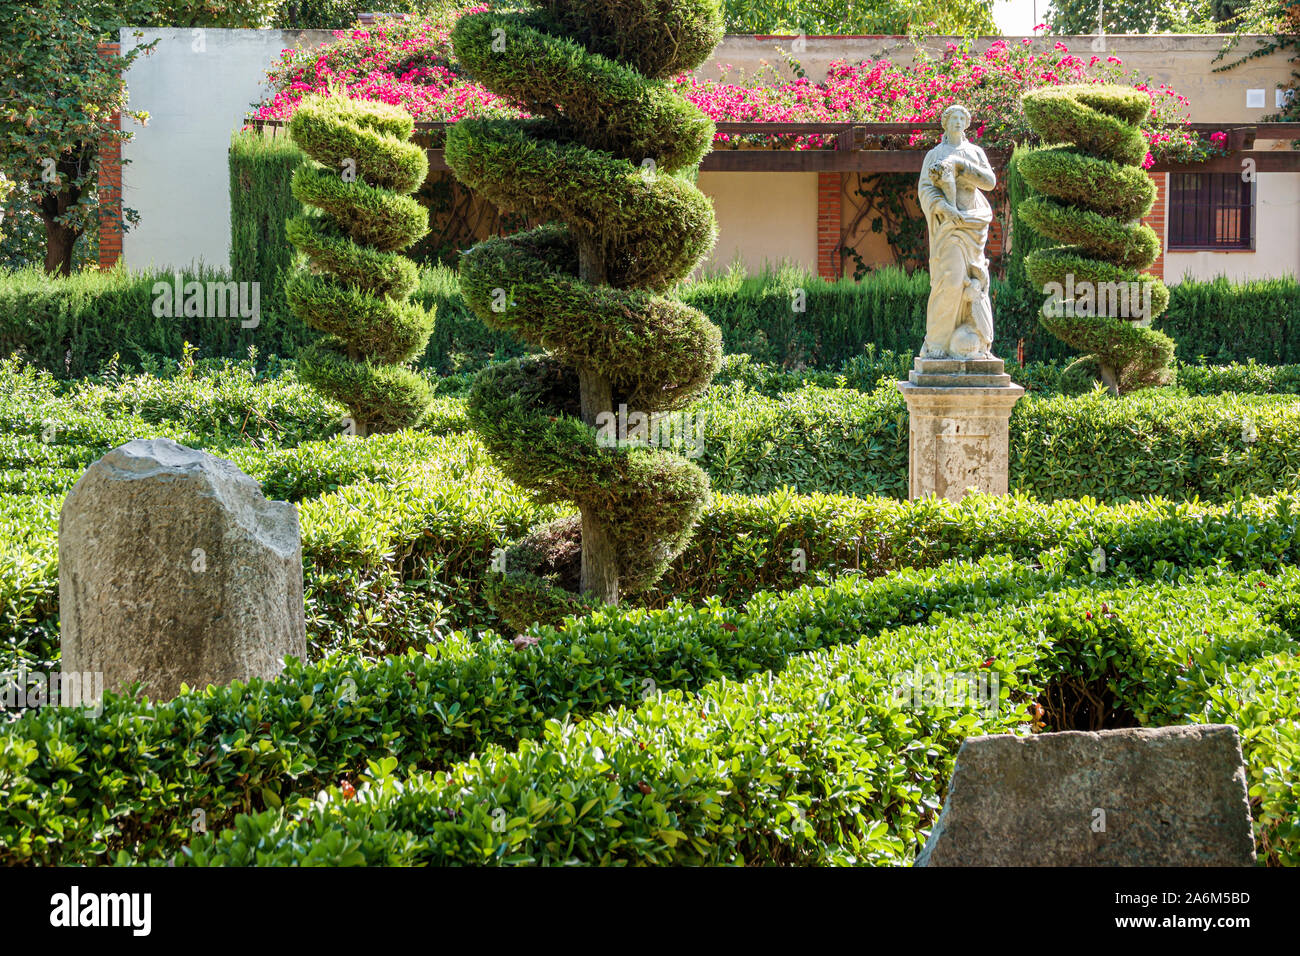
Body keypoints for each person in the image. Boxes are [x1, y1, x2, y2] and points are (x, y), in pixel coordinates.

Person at [917, 104, 997, 360]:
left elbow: (990, 182)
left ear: (967, 123)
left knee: (976, 279)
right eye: (953, 117)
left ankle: (977, 340)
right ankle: (937, 342)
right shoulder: (934, 154)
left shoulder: (975, 152)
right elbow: (925, 189)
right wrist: (942, 206)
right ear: (945, 122)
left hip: (973, 221)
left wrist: (963, 165)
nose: (958, 121)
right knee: (950, 279)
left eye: (963, 117)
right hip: (948, 225)